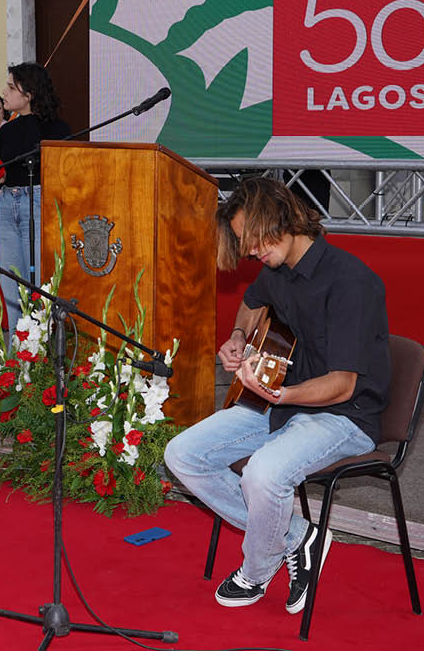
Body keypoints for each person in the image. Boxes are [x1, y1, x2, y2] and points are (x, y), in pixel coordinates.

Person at [163, 177, 391, 615]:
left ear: (280, 217)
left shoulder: (351, 282)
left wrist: (282, 395)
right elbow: (252, 301)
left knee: (263, 474)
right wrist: (237, 335)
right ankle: (298, 538)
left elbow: (343, 384)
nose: (249, 252)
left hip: (345, 417)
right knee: (182, 455)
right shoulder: (277, 270)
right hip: (282, 404)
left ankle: (257, 568)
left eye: (251, 239)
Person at [0, 63, 68, 333]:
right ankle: (16, 360)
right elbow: (5, 170)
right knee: (12, 286)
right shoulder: (6, 130)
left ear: (30, 93)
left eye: (12, 87)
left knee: (38, 286)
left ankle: (41, 356)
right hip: (7, 205)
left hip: (37, 204)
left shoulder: (57, 129)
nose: (5, 92)